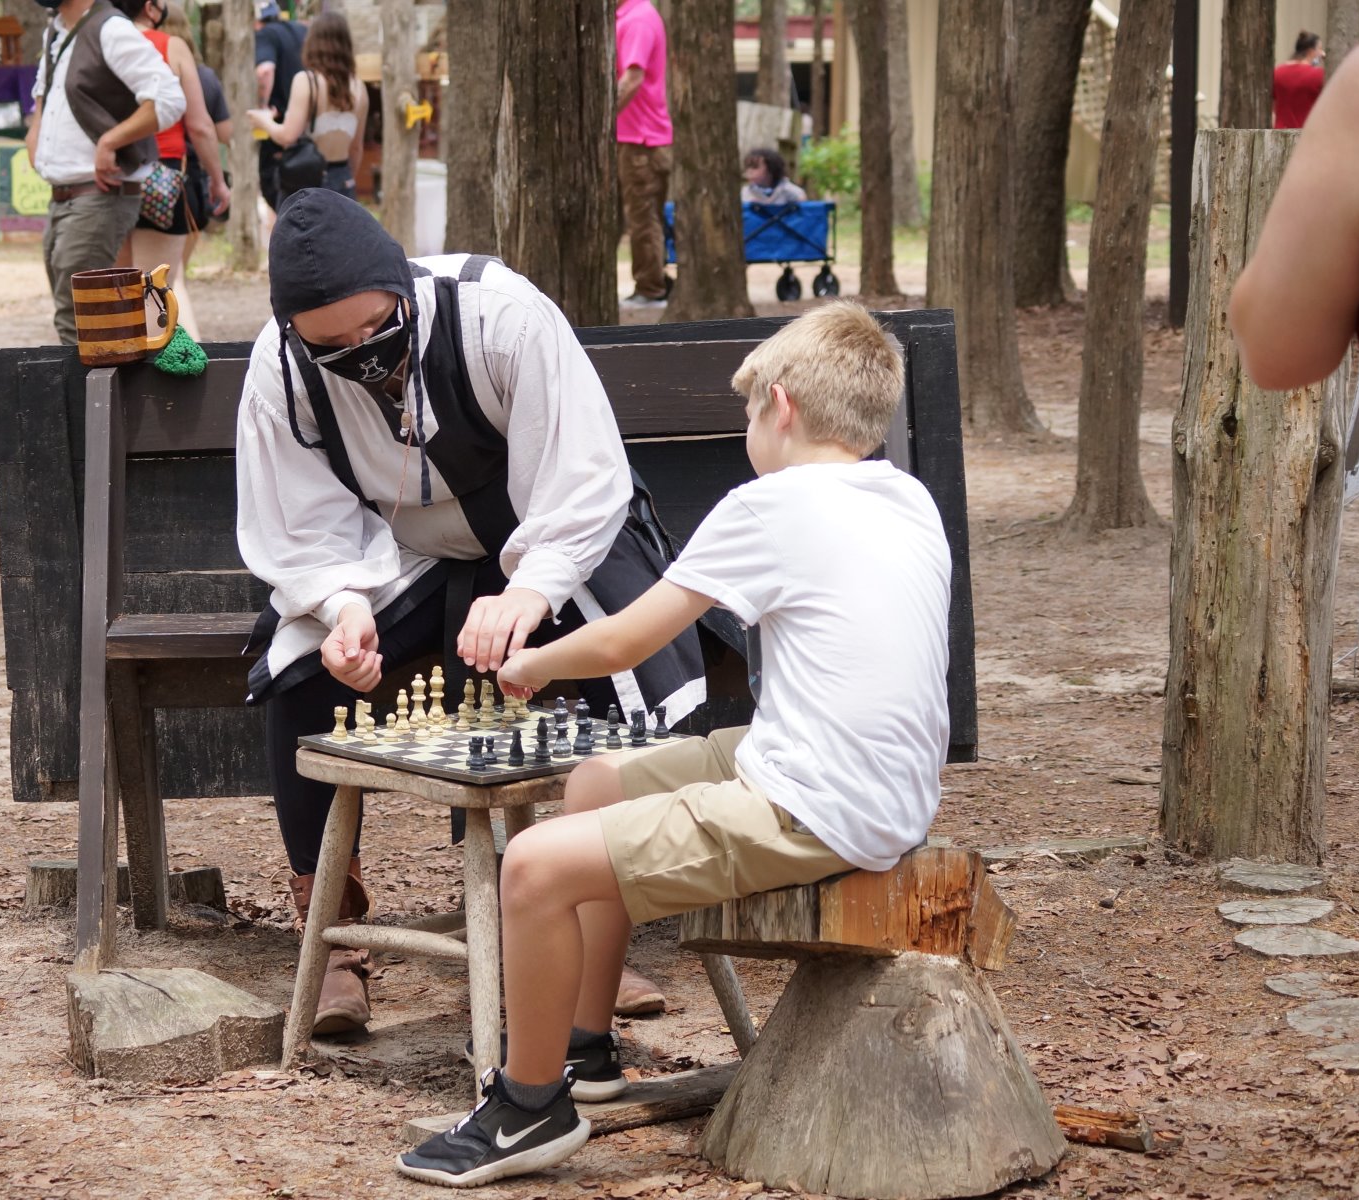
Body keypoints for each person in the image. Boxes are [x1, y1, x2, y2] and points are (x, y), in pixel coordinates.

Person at [396, 302, 952, 1187]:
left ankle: (526, 1109)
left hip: (819, 804)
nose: (745, 433)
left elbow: (623, 642)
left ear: (781, 405)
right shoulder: (906, 497)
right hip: (878, 783)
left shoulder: (770, 504)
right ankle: (584, 1049)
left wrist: (530, 663)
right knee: (596, 783)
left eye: (745, 416)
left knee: (534, 867)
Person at [238, 190, 707, 1037]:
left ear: (403, 291)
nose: (360, 358)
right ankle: (333, 938)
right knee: (300, 671)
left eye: (374, 332)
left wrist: (530, 590)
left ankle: (578, 922)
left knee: (602, 665)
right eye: (331, 348)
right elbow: (298, 522)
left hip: (549, 531)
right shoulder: (280, 368)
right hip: (403, 551)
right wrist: (343, 607)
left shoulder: (500, 315)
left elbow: (582, 477)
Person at [1230, 47, 1359, 501]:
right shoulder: (1319, 76)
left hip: (1304, 149)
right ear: (1314, 50)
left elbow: (1275, 346)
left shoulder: (1350, 86)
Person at [25, 0, 186, 344]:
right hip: (66, 198)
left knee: (82, 322)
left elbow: (169, 98)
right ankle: (95, 397)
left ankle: (94, 399)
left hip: (99, 196)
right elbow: (45, 95)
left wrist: (111, 141)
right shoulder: (56, 31)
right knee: (78, 318)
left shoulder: (110, 28)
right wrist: (35, 134)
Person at [110, 0, 230, 341]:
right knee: (156, 292)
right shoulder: (171, 46)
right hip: (162, 178)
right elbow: (201, 126)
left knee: (119, 293)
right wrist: (218, 181)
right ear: (150, 7)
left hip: (110, 175)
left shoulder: (99, 43)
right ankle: (167, 387)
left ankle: (119, 385)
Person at [246, 12, 368, 201]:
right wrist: (345, 178)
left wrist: (265, 121)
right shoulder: (359, 88)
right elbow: (356, 148)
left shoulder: (306, 81)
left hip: (309, 181)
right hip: (344, 179)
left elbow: (288, 136)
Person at [161, 1, 232, 276]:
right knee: (174, 275)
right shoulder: (204, 77)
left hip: (155, 175)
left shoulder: (144, 68)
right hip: (190, 177)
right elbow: (224, 132)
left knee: (165, 278)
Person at [615, 0, 673, 309]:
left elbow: (633, 77)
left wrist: (602, 117)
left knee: (643, 217)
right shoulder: (625, 16)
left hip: (642, 140)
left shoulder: (638, 19)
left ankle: (650, 290)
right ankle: (647, 286)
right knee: (631, 216)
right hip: (629, 137)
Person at [252, 0, 306, 212]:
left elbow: (265, 71)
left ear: (257, 22)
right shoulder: (300, 30)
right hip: (308, 131)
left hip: (280, 128)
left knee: (280, 199)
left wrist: (263, 106)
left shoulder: (265, 34)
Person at [1274, 31, 1324, 130]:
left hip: (1279, 134)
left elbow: (1273, 108)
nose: (1322, 53)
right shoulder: (1319, 75)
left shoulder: (1277, 72)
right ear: (1311, 52)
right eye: (1320, 49)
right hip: (1307, 134)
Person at [741, 145, 807, 206]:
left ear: (771, 168)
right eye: (747, 167)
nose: (749, 171)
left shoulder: (794, 192)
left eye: (755, 167)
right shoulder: (743, 194)